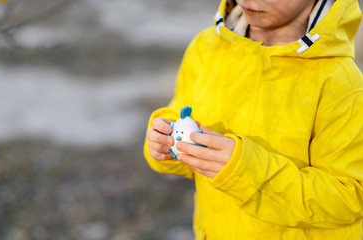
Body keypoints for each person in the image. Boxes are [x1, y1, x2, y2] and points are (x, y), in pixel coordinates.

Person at [144, 0, 363, 239]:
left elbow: (349, 199)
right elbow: (180, 117)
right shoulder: (207, 48)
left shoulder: (340, 82)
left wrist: (244, 171)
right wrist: (166, 142)